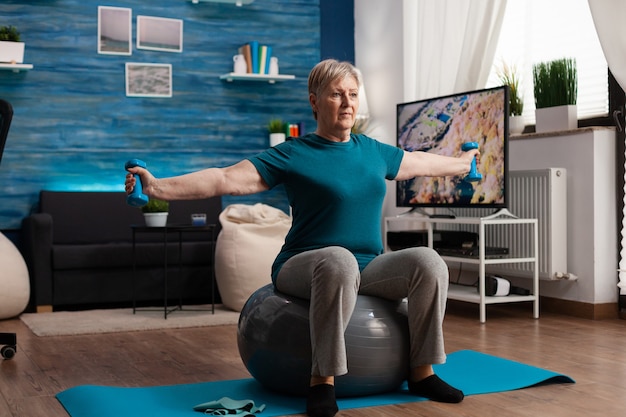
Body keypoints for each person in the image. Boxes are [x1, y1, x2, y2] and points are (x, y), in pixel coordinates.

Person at [125, 59, 478, 417]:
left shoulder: (372, 151)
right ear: (314, 101)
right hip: (304, 264)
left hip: (368, 267)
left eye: (353, 94)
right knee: (338, 259)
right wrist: (156, 186)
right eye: (337, 94)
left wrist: (464, 164)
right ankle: (322, 381)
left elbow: (420, 163)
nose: (347, 103)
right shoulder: (294, 153)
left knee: (429, 262)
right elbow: (224, 178)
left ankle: (422, 371)